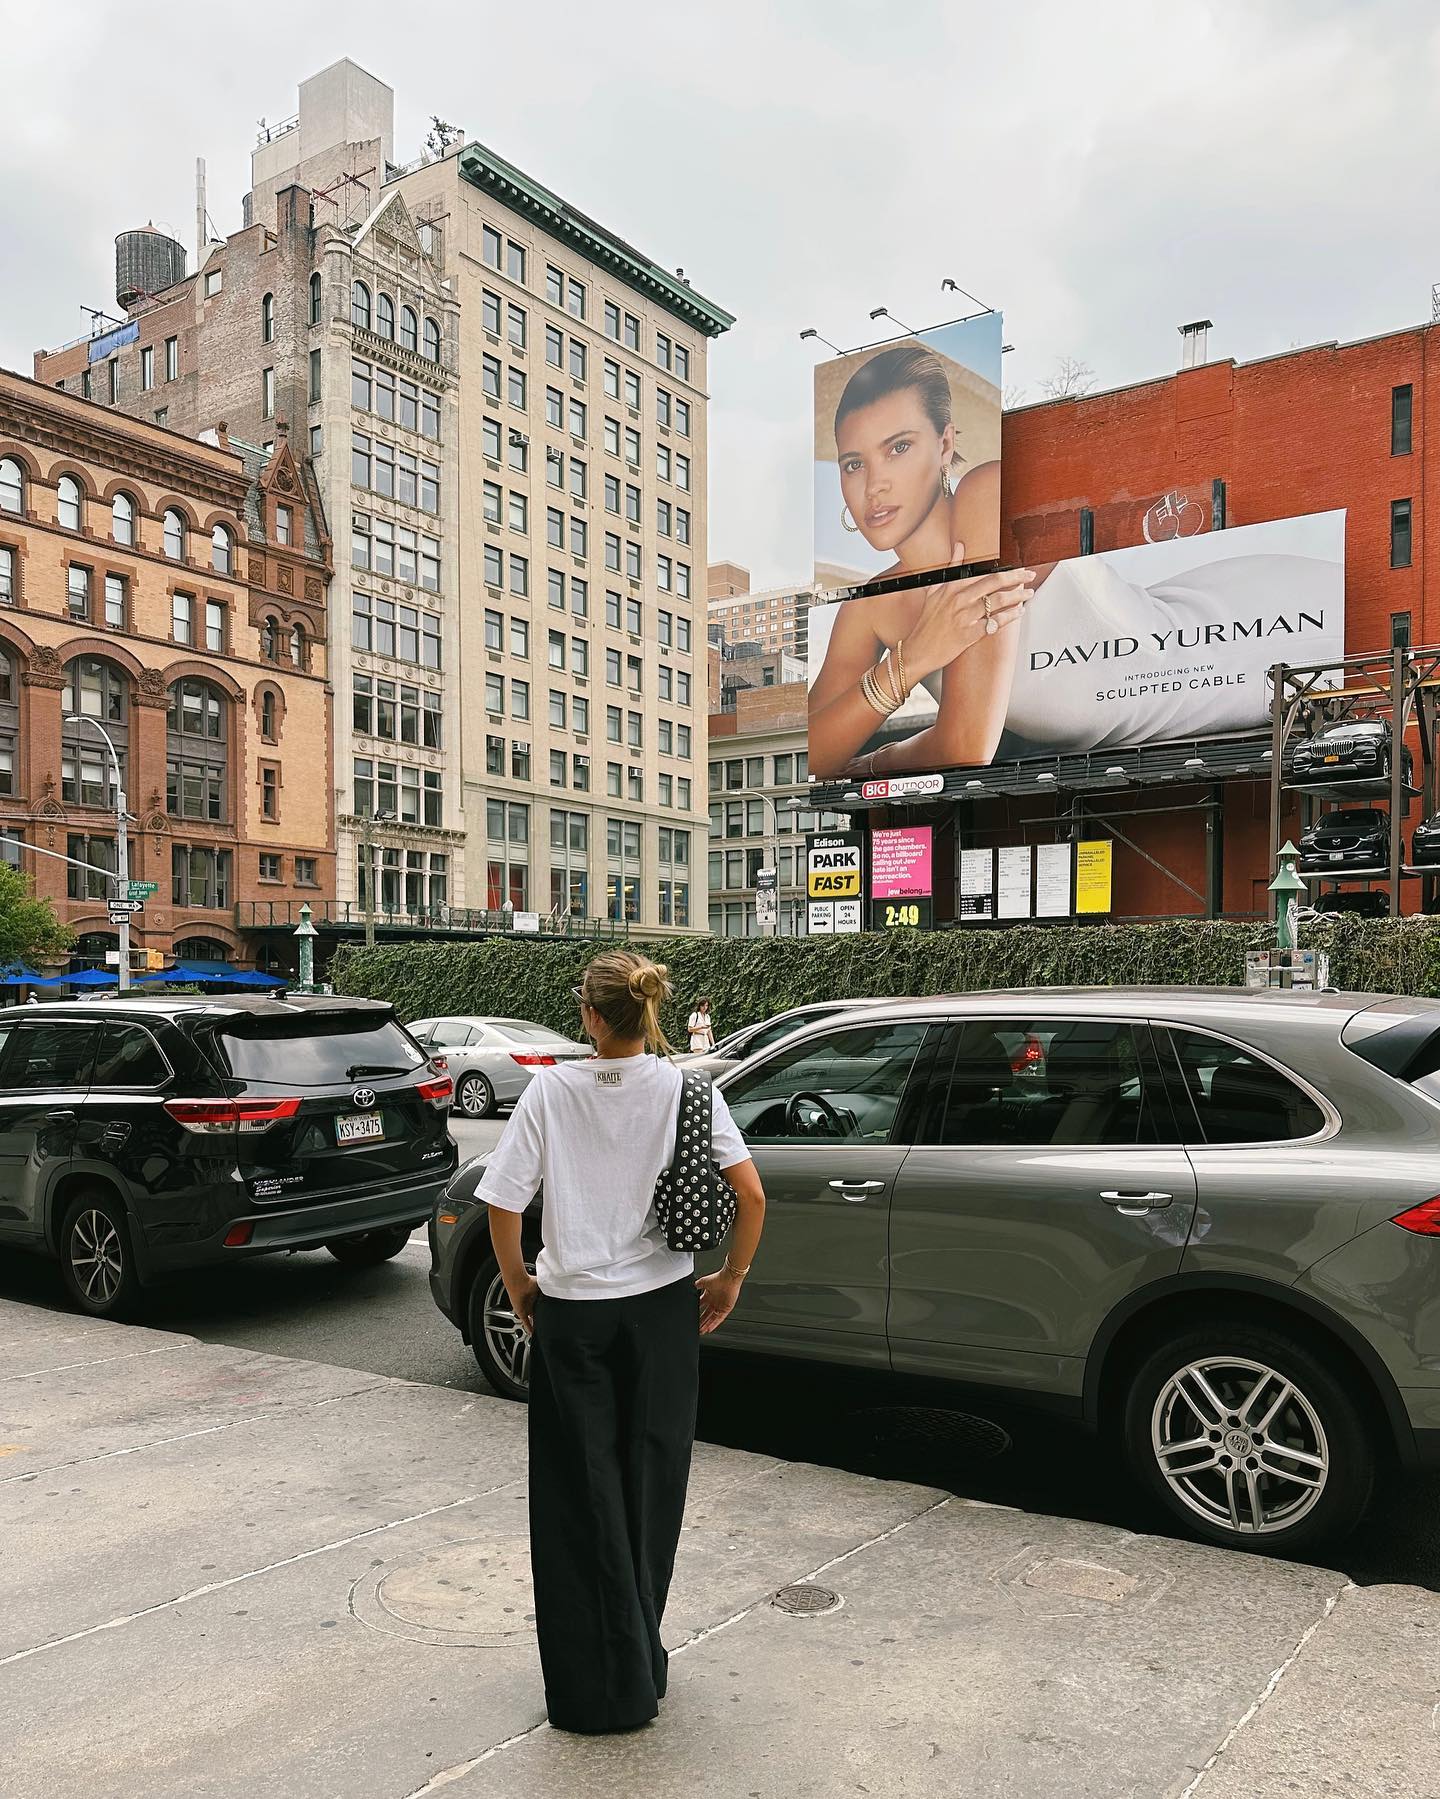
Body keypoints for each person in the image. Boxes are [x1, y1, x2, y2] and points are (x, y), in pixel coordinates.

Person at [479, 949, 766, 1735]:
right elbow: (750, 1193)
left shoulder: (551, 1091)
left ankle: (594, 1687)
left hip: (573, 1315)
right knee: (650, 1489)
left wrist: (517, 1284)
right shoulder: (688, 1088)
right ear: (647, 1013)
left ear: (592, 1015)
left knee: (579, 1500)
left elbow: (504, 1200)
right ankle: (644, 1658)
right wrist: (730, 1277)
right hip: (663, 1313)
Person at [810, 343, 1034, 780]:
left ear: (945, 443)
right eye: (854, 464)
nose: (874, 486)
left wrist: (875, 761)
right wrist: (913, 658)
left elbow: (968, 744)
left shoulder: (985, 490)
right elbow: (813, 757)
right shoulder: (867, 607)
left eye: (898, 448)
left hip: (1187, 697)